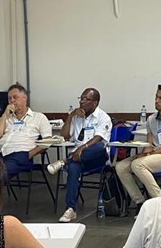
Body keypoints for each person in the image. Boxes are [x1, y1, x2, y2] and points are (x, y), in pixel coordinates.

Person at [115, 83, 161, 212]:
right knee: (120, 166)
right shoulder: (151, 119)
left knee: (138, 165)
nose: (157, 101)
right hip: (155, 154)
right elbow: (149, 144)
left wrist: (149, 154)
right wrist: (144, 153)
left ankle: (160, 203)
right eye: (156, 97)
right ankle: (140, 203)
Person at [47, 87, 112, 222]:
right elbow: (64, 135)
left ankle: (65, 161)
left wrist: (81, 148)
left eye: (86, 99)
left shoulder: (103, 117)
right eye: (81, 98)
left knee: (99, 147)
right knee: (74, 167)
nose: (82, 102)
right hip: (78, 159)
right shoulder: (76, 117)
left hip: (96, 157)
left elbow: (99, 138)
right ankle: (71, 209)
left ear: (95, 103)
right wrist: (71, 115)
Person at [0, 83, 51, 179]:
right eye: (9, 98)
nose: (12, 101)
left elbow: (48, 140)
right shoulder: (7, 118)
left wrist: (29, 154)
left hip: (21, 154)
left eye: (15, 97)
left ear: (24, 98)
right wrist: (5, 114)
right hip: (1, 153)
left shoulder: (39, 117)